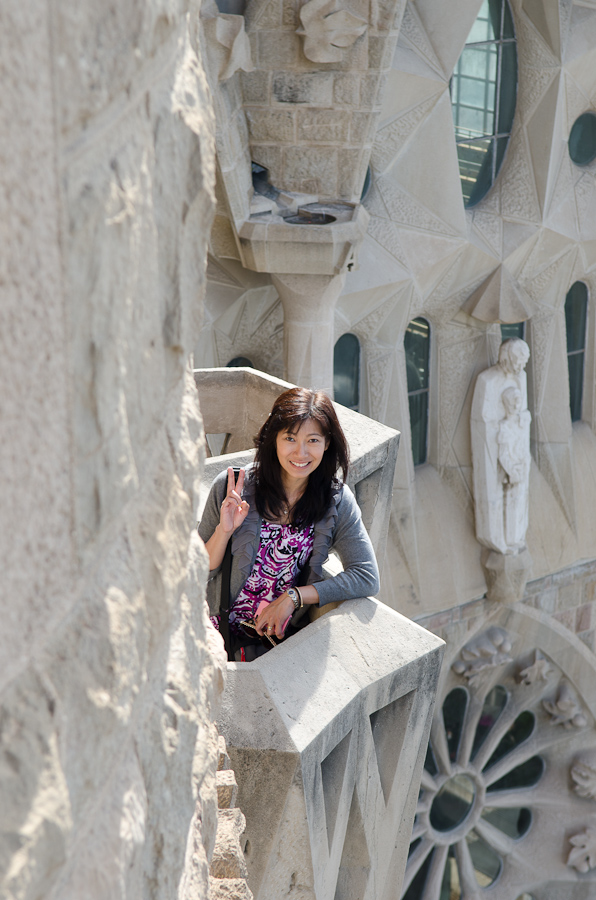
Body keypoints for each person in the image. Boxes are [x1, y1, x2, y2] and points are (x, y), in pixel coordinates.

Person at [197, 387, 380, 660]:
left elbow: (366, 576)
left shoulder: (336, 501)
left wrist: (295, 597)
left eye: (313, 440)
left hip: (273, 646)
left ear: (327, 443)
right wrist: (224, 531)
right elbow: (197, 569)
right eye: (290, 438)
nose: (300, 452)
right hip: (213, 635)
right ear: (274, 439)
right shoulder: (231, 486)